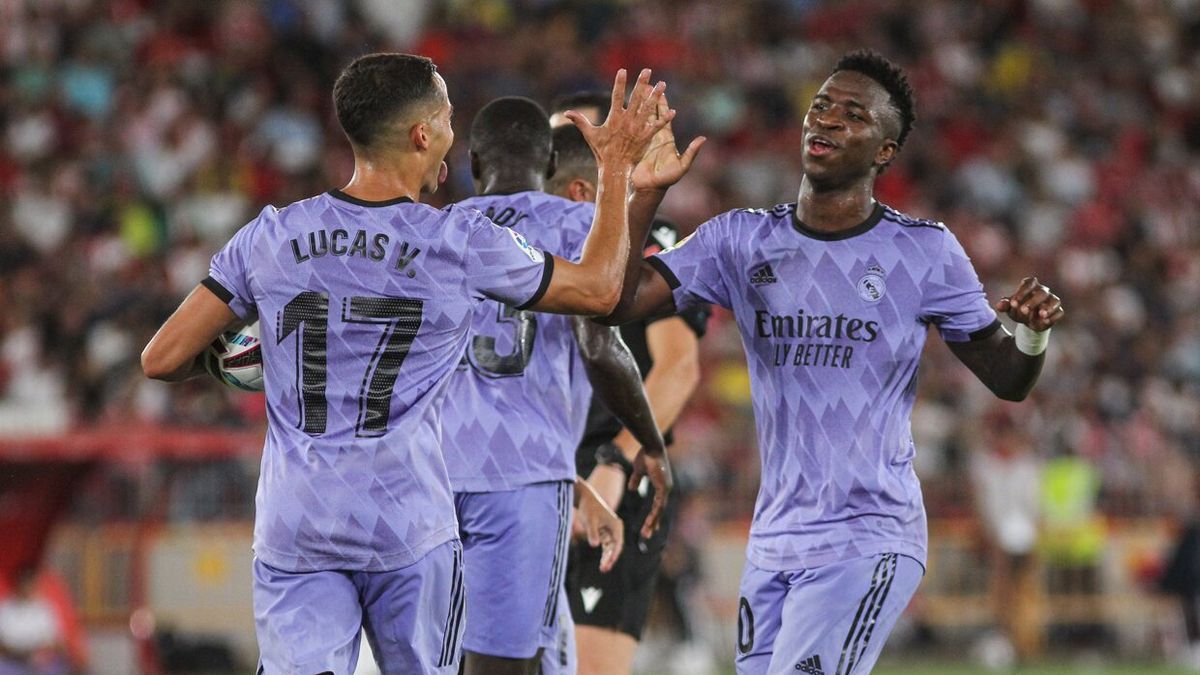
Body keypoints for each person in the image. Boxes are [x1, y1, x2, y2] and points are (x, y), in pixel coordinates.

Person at [140, 54, 676, 675]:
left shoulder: (271, 235)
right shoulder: (455, 241)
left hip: (298, 521)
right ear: (423, 135)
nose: (454, 130)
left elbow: (162, 358)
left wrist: (241, 367)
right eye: (448, 116)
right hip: (406, 523)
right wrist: (615, 170)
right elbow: (602, 292)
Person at [601, 50, 1065, 674]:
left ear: (884, 152)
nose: (827, 120)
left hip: (867, 535)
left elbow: (1007, 380)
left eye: (853, 114)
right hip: (772, 544)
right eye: (821, 106)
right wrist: (643, 193)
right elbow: (615, 301)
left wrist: (1031, 336)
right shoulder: (738, 240)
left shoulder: (924, 253)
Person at [441, 96, 698, 675]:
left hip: (430, 477)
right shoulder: (579, 224)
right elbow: (599, 344)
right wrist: (649, 444)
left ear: (474, 162)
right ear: (551, 157)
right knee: (512, 661)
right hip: (527, 476)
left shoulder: (436, 231)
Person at [547, 120, 711, 675]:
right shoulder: (523, 244)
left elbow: (679, 368)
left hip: (612, 467)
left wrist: (614, 461)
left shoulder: (653, 243)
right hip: (536, 473)